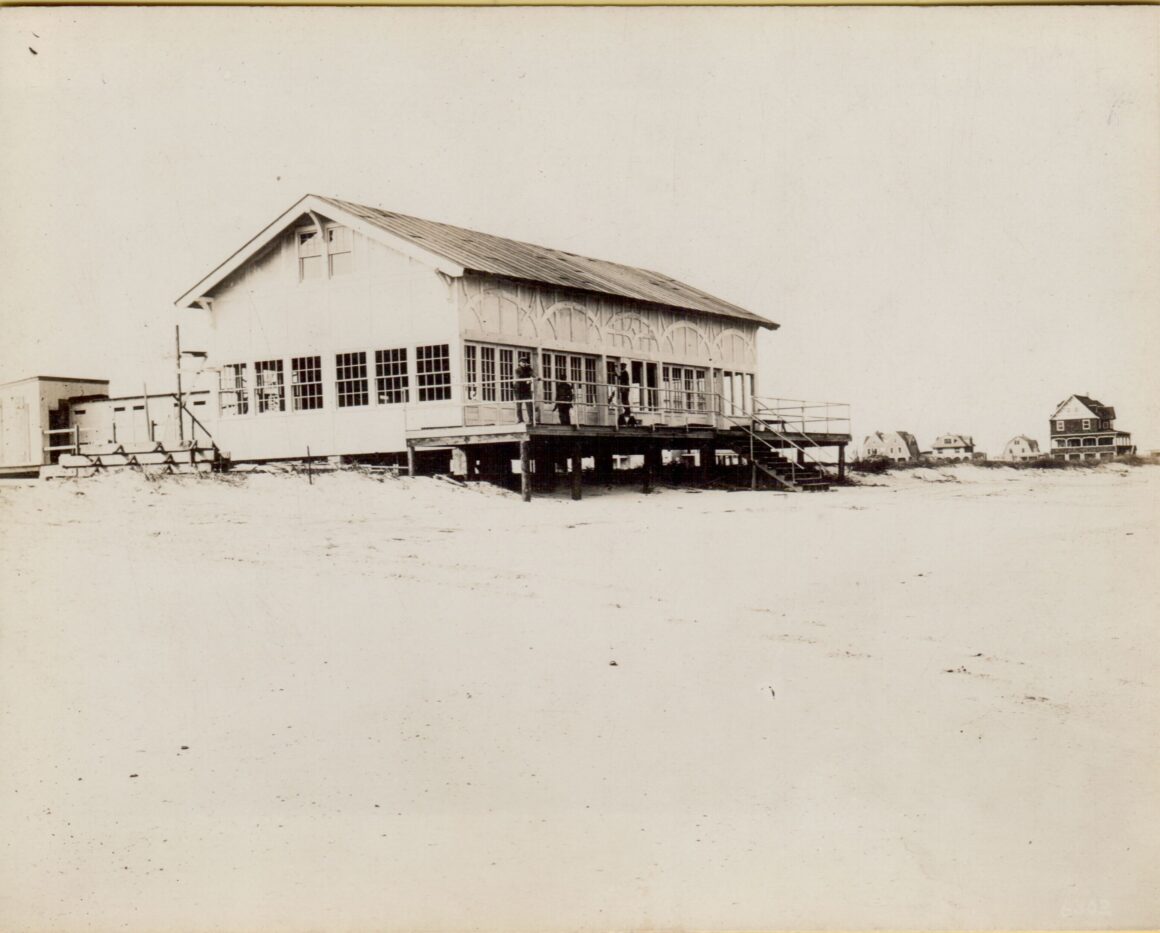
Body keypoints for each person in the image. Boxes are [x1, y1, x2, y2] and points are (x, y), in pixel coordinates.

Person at [514, 355, 535, 424]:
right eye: (522, 362)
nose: (523, 363)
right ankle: (520, 419)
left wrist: (533, 378)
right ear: (519, 363)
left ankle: (531, 420)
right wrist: (527, 380)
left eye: (525, 362)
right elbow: (519, 378)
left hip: (526, 389)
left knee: (529, 404)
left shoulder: (528, 369)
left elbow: (533, 375)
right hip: (518, 389)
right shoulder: (517, 370)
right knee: (519, 405)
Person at [617, 362, 633, 426]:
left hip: (625, 388)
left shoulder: (625, 372)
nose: (621, 367)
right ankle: (626, 410)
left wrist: (623, 387)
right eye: (621, 366)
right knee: (624, 400)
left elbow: (624, 380)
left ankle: (628, 411)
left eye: (622, 366)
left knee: (625, 400)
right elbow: (620, 378)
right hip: (623, 387)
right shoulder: (623, 372)